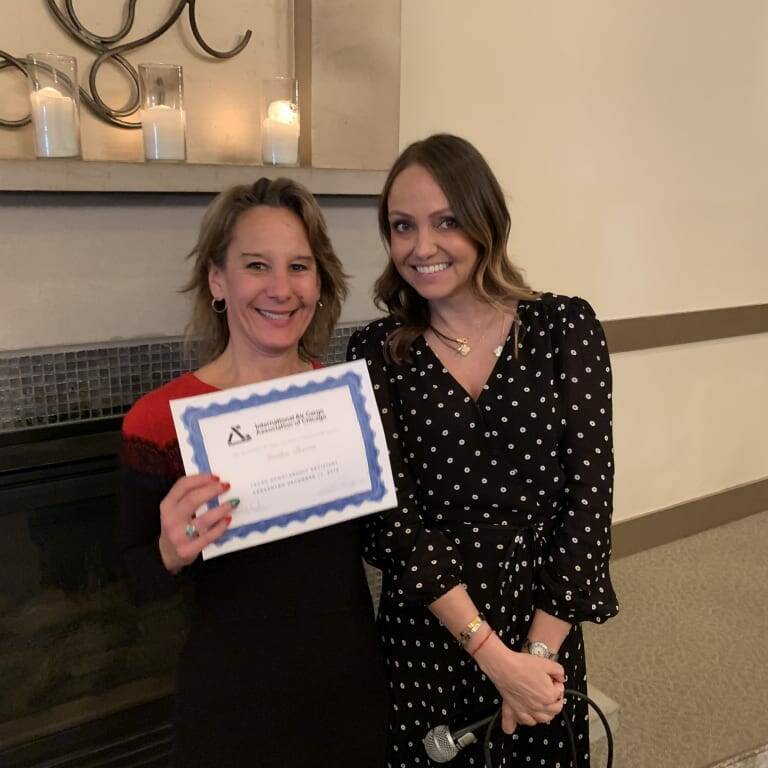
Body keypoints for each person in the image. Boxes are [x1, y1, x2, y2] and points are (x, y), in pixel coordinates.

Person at [347, 134, 619, 767]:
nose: (422, 246)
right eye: (402, 226)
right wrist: (493, 657)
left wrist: (535, 661)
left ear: (485, 220)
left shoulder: (563, 327)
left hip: (540, 620)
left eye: (446, 221)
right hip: (430, 624)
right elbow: (392, 520)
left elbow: (588, 502)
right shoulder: (377, 350)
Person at [118, 178, 388, 768]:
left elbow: (384, 541)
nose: (281, 289)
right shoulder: (158, 422)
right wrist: (168, 550)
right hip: (232, 706)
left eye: (300, 266)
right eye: (257, 265)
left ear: (319, 283)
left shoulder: (344, 401)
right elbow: (134, 581)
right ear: (219, 279)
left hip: (348, 690)